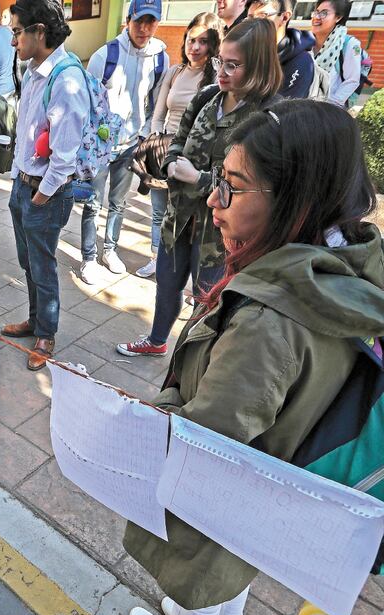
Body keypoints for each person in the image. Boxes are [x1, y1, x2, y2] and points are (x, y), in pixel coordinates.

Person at [125, 99, 384, 615]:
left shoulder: (271, 320)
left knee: (205, 564)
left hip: (231, 486)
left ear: (296, 200)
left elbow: (209, 437)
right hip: (277, 473)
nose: (215, 199)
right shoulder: (345, 260)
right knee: (239, 561)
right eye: (218, 179)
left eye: (234, 187)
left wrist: (143, 415)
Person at [118, 18, 283, 358]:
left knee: (208, 300)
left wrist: (201, 178)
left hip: (219, 232)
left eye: (233, 65)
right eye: (220, 61)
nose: (221, 71)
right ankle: (157, 340)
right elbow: (178, 138)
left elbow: (257, 186)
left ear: (259, 67)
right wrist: (171, 162)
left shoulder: (266, 117)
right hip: (179, 218)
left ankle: (193, 361)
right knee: (167, 286)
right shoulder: (209, 95)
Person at [1, 0, 89, 370]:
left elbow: (64, 156)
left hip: (44, 192)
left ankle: (46, 334)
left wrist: (39, 194)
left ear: (40, 32)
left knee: (43, 265)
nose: (13, 41)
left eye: (17, 32)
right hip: (24, 185)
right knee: (28, 262)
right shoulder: (35, 70)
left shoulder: (66, 80)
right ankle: (35, 320)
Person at [78, 0, 169, 284]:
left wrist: (144, 134)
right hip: (102, 148)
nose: (144, 28)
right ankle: (89, 258)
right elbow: (87, 103)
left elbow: (155, 103)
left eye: (151, 21)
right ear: (128, 19)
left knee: (118, 202)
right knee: (93, 203)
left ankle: (110, 250)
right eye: (139, 20)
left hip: (131, 146)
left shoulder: (160, 59)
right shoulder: (105, 55)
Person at [136, 13, 221, 279]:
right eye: (190, 39)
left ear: (213, 44)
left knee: (192, 217)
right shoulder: (175, 72)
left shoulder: (216, 78)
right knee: (159, 211)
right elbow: (158, 114)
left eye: (203, 42)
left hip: (195, 158)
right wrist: (157, 143)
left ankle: (186, 270)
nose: (194, 47)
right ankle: (158, 258)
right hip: (165, 153)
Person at [248, 0, 317, 99]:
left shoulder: (301, 62)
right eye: (250, 18)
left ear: (284, 17)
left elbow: (282, 110)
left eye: (262, 16)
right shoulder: (246, 52)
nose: (253, 25)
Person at [311, 0, 361, 107]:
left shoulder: (349, 44)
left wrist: (330, 106)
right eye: (316, 12)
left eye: (324, 13)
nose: (317, 17)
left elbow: (352, 80)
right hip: (302, 106)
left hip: (327, 110)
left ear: (338, 18)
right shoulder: (306, 41)